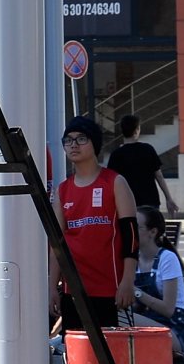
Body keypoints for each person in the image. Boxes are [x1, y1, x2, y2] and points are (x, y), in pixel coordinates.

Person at [50, 115, 139, 331]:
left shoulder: (115, 182)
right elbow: (56, 243)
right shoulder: (63, 190)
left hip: (110, 289)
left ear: (94, 144)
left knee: (109, 357)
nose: (73, 145)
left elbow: (131, 237)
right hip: (74, 290)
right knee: (76, 354)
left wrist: (128, 281)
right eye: (68, 140)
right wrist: (52, 285)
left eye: (81, 139)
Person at [132, 206, 184, 357]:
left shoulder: (167, 258)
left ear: (153, 232)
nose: (130, 230)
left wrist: (135, 292)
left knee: (121, 320)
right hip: (146, 326)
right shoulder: (133, 259)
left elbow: (168, 309)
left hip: (174, 332)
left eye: (136, 227)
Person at [107, 114, 178, 214]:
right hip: (150, 202)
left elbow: (111, 183)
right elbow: (159, 176)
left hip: (126, 204)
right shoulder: (148, 149)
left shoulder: (116, 155)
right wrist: (168, 199)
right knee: (150, 228)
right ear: (136, 131)